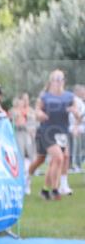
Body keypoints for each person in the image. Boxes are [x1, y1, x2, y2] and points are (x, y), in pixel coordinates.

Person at [28, 70, 77, 200]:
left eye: (60, 78)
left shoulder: (69, 96)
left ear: (64, 81)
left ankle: (47, 190)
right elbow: (36, 111)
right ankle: (28, 178)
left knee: (55, 160)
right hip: (47, 131)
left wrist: (75, 116)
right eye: (55, 79)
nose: (58, 81)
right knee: (50, 158)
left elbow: (78, 114)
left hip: (61, 133)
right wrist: (39, 114)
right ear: (51, 81)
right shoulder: (44, 97)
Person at [11, 93, 35, 194]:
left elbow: (33, 123)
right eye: (23, 99)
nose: (25, 102)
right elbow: (17, 123)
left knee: (31, 160)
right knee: (21, 159)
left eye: (27, 99)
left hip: (29, 136)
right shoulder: (14, 111)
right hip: (19, 135)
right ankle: (21, 183)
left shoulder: (30, 111)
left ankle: (28, 183)